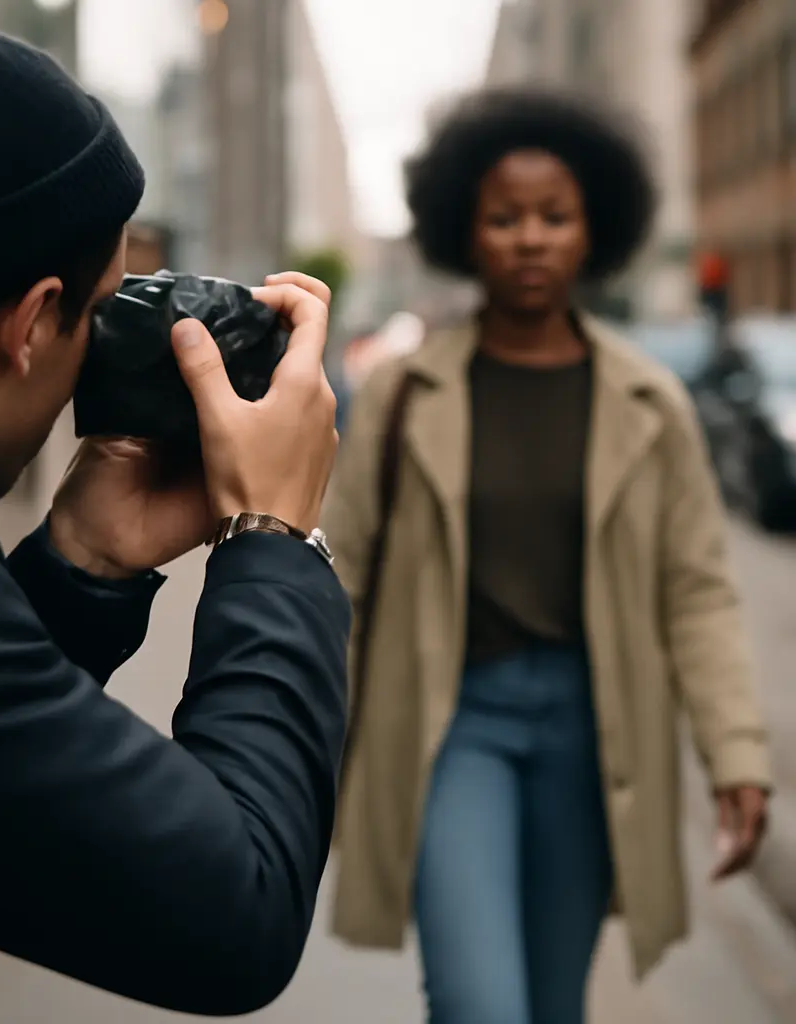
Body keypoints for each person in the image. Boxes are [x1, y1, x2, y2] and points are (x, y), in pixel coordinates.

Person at [0, 16, 347, 1023]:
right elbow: (233, 910)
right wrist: (273, 537)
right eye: (100, 311)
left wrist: (82, 564)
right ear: (34, 320)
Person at [324, 86, 771, 1024]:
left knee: (555, 1006)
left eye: (554, 216)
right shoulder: (406, 393)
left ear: (591, 229)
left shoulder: (650, 403)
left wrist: (735, 752)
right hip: (453, 727)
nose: (530, 237)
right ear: (465, 230)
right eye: (505, 217)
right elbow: (345, 573)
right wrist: (307, 738)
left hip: (595, 727)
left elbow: (696, 591)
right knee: (481, 1004)